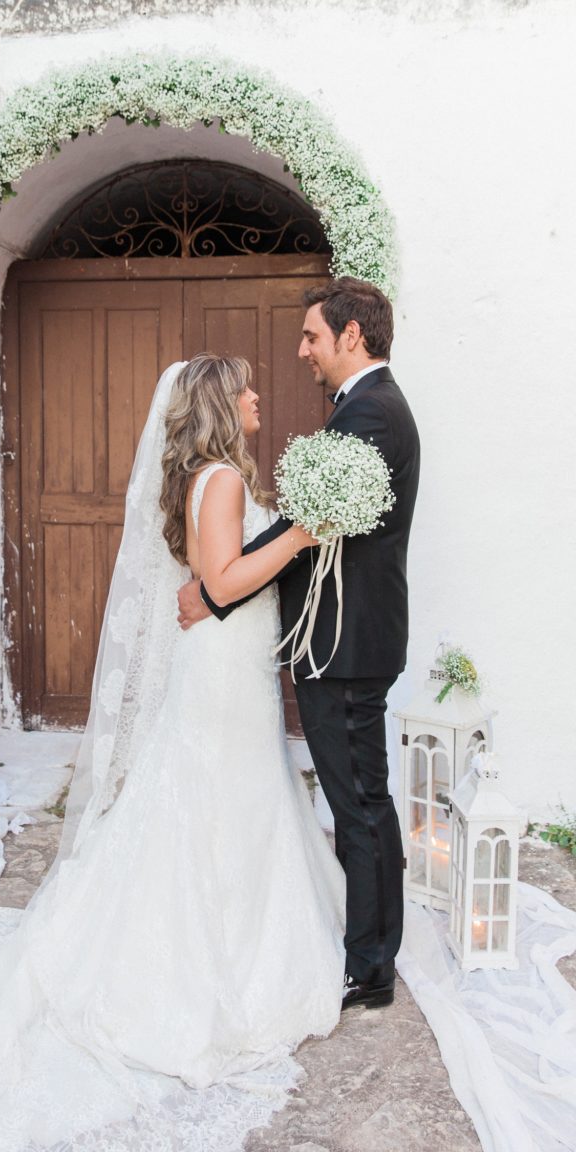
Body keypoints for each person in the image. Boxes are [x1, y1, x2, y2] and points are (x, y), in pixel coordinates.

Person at [0, 355, 345, 1152]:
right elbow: (223, 580)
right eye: (248, 387)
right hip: (225, 677)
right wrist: (305, 532)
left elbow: (207, 583)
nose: (261, 394)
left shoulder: (209, 475)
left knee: (225, 802)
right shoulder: (224, 480)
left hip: (225, 670)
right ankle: (218, 968)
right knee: (225, 804)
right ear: (222, 403)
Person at [178, 279, 420, 1011]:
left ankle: (371, 967)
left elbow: (303, 535)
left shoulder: (371, 416)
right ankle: (366, 948)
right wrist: (221, 582)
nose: (302, 350)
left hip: (346, 648)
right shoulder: (361, 411)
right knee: (356, 802)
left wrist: (217, 591)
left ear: (352, 336)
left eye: (312, 336)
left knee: (361, 806)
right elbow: (307, 534)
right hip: (336, 644)